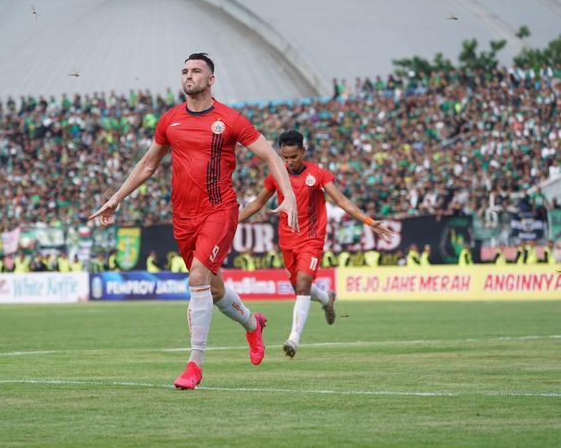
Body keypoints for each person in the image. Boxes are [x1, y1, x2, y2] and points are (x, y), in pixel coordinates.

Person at [90, 53, 299, 390]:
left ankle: (194, 364)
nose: (189, 76)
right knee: (213, 289)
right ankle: (251, 324)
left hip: (219, 210)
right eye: (185, 71)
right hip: (183, 217)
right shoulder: (169, 120)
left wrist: (287, 195)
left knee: (197, 276)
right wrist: (116, 197)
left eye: (196, 71)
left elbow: (270, 155)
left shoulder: (229, 119)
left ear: (211, 79)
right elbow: (147, 165)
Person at [238, 130, 393, 358]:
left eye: (294, 157)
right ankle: (325, 297)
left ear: (303, 151)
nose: (289, 162)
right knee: (299, 288)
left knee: (302, 284)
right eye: (285, 158)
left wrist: (369, 221)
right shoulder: (277, 175)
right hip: (287, 241)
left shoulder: (318, 175)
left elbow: (342, 201)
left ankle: (293, 339)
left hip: (311, 239)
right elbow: (256, 204)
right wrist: (229, 223)